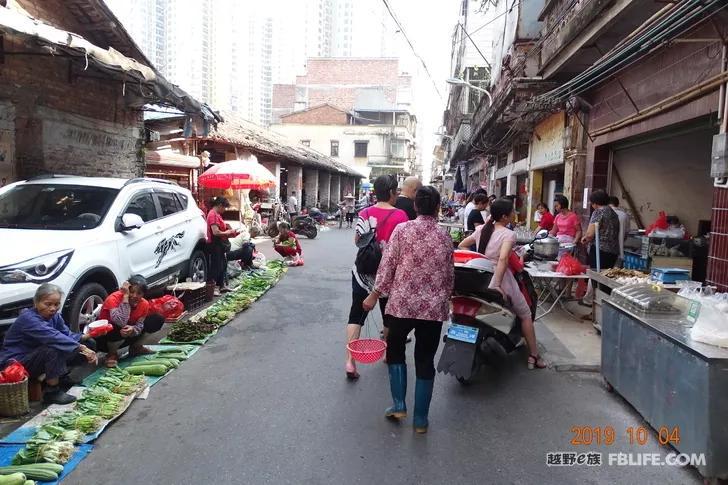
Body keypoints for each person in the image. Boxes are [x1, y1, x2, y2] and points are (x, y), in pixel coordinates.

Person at [363, 186, 453, 433]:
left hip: (401, 304)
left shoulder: (402, 231)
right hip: (432, 310)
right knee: (425, 359)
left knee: (395, 351)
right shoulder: (444, 236)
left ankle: (399, 405)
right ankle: (421, 420)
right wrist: (447, 300)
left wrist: (373, 295)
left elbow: (387, 266)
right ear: (437, 208)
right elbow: (449, 275)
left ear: (415, 206)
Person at [458, 198, 547, 370]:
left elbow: (462, 245)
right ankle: (534, 356)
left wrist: (479, 259)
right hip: (499, 278)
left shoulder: (482, 229)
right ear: (505, 216)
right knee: (525, 314)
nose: (515, 214)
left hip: (479, 275)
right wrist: (497, 283)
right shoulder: (508, 234)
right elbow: (504, 259)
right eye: (513, 212)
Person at [345, 175, 408, 380]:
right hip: (388, 276)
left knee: (356, 314)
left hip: (362, 272)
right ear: (391, 192)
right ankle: (388, 355)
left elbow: (358, 242)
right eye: (396, 191)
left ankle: (350, 361)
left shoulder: (365, 212)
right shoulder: (401, 216)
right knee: (388, 315)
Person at [0, 284, 97, 404]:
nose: (52, 308)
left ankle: (61, 377)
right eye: (48, 304)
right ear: (36, 302)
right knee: (53, 348)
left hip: (37, 355)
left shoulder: (55, 316)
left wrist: (86, 337)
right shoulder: (28, 319)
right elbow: (53, 338)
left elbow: (66, 335)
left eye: (56, 304)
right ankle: (52, 392)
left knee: (89, 343)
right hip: (18, 362)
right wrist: (81, 347)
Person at [96, 276, 165, 367]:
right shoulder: (113, 299)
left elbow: (140, 324)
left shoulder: (144, 304)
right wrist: (125, 297)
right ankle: (112, 354)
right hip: (107, 338)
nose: (134, 296)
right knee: (117, 325)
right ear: (126, 290)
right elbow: (121, 321)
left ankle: (136, 347)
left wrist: (133, 329)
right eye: (131, 292)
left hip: (127, 335)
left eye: (139, 293)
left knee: (157, 319)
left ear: (143, 294)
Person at [582, 190, 620, 270]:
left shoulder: (598, 212)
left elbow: (590, 235)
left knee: (597, 276)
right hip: (613, 251)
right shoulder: (614, 213)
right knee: (606, 275)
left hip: (600, 250)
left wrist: (584, 240)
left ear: (595, 203)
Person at [207, 197, 236, 296]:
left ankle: (221, 285)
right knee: (216, 265)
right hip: (215, 244)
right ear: (220, 205)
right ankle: (214, 287)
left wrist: (228, 228)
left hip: (219, 244)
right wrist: (227, 232)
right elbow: (215, 232)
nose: (224, 210)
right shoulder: (212, 214)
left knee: (222, 264)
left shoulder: (217, 215)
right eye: (224, 208)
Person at [609, 196, 630, 261]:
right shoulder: (624, 215)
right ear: (618, 204)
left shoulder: (605, 214)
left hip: (605, 250)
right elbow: (627, 232)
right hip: (619, 250)